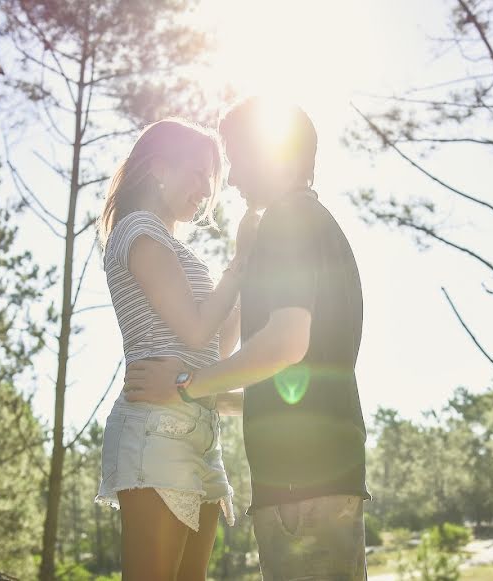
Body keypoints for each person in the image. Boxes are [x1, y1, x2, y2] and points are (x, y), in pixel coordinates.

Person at [123, 97, 372, 580]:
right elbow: (292, 375)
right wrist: (213, 397)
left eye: (236, 159)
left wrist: (185, 384)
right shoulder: (317, 224)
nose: (231, 179)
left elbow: (285, 344)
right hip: (324, 478)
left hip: (302, 486)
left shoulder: (287, 221)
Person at [94, 118, 258, 581]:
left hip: (197, 428)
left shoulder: (173, 246)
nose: (207, 190)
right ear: (161, 167)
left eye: (213, 179)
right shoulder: (140, 230)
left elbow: (214, 351)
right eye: (199, 173)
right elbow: (193, 332)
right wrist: (239, 264)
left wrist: (243, 285)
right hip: (156, 431)